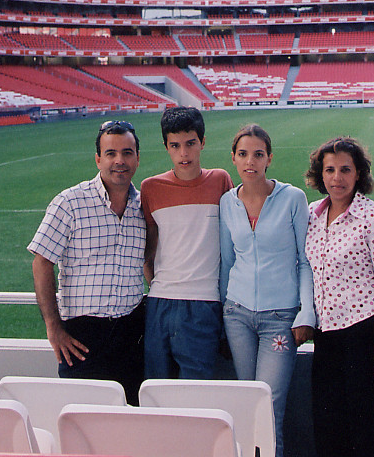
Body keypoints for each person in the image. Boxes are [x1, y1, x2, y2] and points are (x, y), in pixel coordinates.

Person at [27, 119, 146, 404]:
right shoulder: (70, 202)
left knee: (130, 423)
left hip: (131, 335)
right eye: (111, 153)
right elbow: (41, 262)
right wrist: (54, 328)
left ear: (137, 158)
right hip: (82, 337)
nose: (120, 161)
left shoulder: (143, 206)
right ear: (97, 159)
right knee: (85, 425)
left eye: (127, 153)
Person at [219, 124, 314, 457]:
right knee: (248, 404)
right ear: (233, 158)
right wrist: (222, 313)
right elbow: (227, 262)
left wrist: (306, 313)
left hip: (280, 319)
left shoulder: (292, 199)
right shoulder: (227, 203)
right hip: (237, 316)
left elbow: (305, 261)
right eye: (243, 154)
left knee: (269, 407)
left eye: (258, 154)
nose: (250, 162)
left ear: (269, 158)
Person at [304, 136, 374, 457]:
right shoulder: (311, 216)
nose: (337, 178)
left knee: (366, 428)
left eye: (345, 169)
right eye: (329, 170)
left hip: (365, 333)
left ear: (358, 174)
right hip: (326, 335)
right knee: (328, 424)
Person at [141, 106, 233, 379]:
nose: (184, 153)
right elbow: (150, 247)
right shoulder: (151, 188)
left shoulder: (220, 180)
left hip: (203, 303)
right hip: (159, 303)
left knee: (195, 392)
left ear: (202, 143)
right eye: (175, 145)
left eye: (191, 144)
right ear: (166, 147)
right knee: (156, 389)